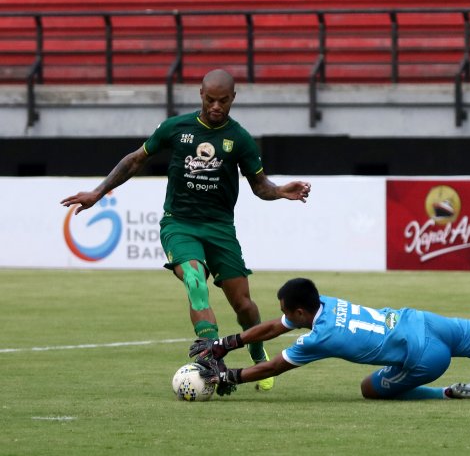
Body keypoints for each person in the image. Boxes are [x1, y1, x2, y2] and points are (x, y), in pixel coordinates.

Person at [61, 69, 311, 392]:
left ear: (233, 99)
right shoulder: (176, 128)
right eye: (210, 100)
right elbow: (136, 160)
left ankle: (256, 352)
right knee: (195, 279)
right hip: (179, 224)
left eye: (223, 101)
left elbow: (259, 186)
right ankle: (212, 356)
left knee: (244, 305)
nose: (216, 106)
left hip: (220, 228)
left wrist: (280, 191)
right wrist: (97, 193)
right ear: (201, 95)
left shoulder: (241, 140)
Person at [189, 278, 470, 400]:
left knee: (368, 389)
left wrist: (229, 378)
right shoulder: (327, 303)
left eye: (287, 313)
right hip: (421, 320)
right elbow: (272, 329)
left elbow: (275, 366)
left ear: (301, 312)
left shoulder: (319, 337)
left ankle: (448, 392)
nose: (284, 318)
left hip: (424, 355)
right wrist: (229, 343)